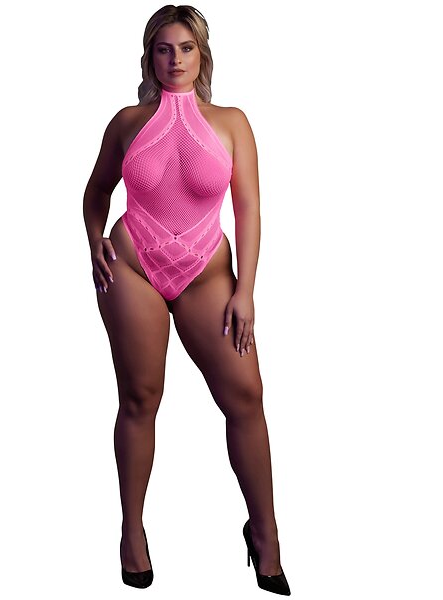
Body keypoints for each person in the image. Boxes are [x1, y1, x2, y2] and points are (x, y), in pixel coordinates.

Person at [83, 5, 291, 595]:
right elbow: (96, 191)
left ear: (202, 55)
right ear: (149, 57)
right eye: (163, 49)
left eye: (186, 49)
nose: (175, 60)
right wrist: (94, 239)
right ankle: (131, 531)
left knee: (246, 397)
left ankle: (266, 533)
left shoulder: (232, 122)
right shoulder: (127, 121)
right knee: (140, 398)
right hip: (133, 268)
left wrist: (246, 290)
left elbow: (249, 210)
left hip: (208, 275)